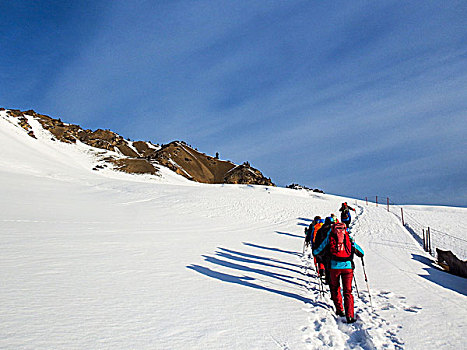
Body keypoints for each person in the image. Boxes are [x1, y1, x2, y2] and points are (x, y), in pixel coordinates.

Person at [313, 219, 364, 323]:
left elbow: (319, 250)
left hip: (334, 267)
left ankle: (340, 310)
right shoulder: (348, 237)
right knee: (348, 291)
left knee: (335, 288)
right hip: (348, 267)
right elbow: (361, 252)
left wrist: (316, 254)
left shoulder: (330, 236)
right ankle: (350, 315)